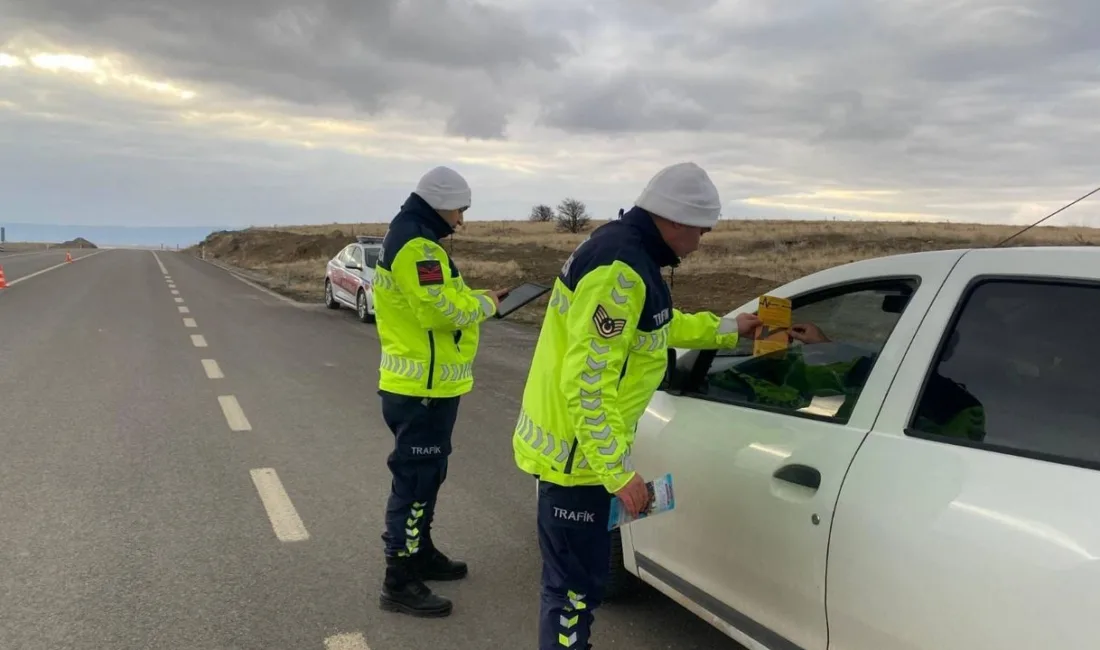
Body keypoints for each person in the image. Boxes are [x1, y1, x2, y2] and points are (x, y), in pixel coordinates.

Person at [511, 162, 762, 649]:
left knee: (574, 590)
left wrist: (730, 327)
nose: (700, 241)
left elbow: (656, 328)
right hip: (577, 464)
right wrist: (616, 473)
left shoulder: (626, 251)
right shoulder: (620, 273)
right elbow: (586, 385)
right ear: (675, 221)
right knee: (573, 596)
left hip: (579, 458)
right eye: (701, 230)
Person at [372, 165, 504, 618]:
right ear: (440, 204)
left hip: (431, 385)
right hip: (419, 388)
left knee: (429, 477)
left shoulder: (418, 241)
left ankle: (420, 553)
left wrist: (478, 296)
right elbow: (439, 312)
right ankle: (399, 578)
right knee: (415, 481)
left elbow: (446, 296)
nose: (462, 221)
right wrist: (486, 304)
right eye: (460, 210)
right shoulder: (416, 247)